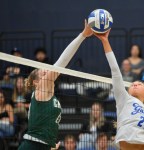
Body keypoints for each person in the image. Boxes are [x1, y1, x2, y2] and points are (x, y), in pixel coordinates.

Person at [18, 20, 93, 150]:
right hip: (32, 146)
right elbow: (62, 61)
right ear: (36, 82)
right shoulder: (41, 88)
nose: (48, 71)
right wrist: (83, 35)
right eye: (44, 72)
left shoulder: (50, 97)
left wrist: (50, 144)